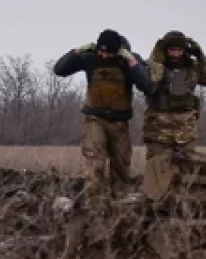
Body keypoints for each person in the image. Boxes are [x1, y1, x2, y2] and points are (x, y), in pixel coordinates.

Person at [52, 29, 152, 207]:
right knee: (94, 162)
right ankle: (94, 205)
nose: (105, 56)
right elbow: (59, 69)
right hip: (95, 118)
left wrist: (131, 61)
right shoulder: (90, 58)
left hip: (119, 122)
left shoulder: (128, 60)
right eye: (102, 52)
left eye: (109, 53)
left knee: (121, 164)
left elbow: (146, 85)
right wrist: (78, 51)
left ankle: (120, 203)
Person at [142, 30, 206, 161]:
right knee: (158, 170)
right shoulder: (155, 66)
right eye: (172, 50)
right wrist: (156, 59)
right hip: (159, 130)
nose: (175, 54)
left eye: (179, 50)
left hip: (185, 130)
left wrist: (201, 57)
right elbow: (150, 83)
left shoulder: (192, 68)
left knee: (186, 170)